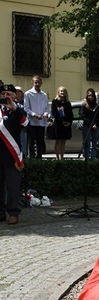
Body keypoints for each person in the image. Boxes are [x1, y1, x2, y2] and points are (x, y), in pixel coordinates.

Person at [0, 83, 28, 225]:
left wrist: (14, 109)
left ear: (14, 96)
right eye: (3, 94)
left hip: (12, 155)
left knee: (12, 186)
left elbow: (26, 123)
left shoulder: (19, 109)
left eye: (9, 94)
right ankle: (0, 212)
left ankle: (13, 212)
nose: (6, 96)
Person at [24, 75, 49, 158]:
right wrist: (34, 115)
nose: (37, 84)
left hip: (41, 122)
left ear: (41, 83)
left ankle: (39, 157)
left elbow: (46, 108)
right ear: (32, 83)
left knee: (40, 141)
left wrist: (46, 114)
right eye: (36, 82)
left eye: (39, 82)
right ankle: (32, 157)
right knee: (31, 141)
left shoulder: (44, 95)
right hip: (32, 122)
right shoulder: (28, 94)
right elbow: (26, 108)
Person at [50, 86, 74, 160]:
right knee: (58, 141)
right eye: (61, 91)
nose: (62, 92)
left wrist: (69, 122)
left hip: (66, 125)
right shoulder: (55, 101)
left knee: (63, 141)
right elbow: (54, 112)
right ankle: (57, 157)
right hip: (58, 124)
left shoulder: (68, 103)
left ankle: (62, 157)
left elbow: (71, 114)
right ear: (58, 92)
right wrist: (62, 121)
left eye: (64, 91)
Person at [81, 88, 99, 160]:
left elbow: (98, 116)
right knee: (87, 144)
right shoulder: (84, 105)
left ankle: (93, 158)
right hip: (87, 126)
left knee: (94, 144)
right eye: (89, 95)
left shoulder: (97, 105)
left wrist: (96, 124)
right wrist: (91, 124)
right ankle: (87, 158)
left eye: (92, 96)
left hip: (96, 127)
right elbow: (83, 116)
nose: (90, 97)